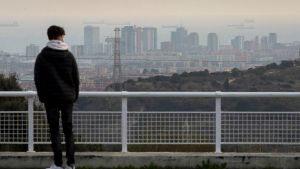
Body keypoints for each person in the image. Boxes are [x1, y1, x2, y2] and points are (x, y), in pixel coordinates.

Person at [34, 25, 79, 169]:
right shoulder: (69, 55)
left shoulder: (42, 56)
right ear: (60, 36)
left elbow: (38, 79)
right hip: (67, 98)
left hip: (50, 98)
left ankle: (58, 164)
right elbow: (76, 78)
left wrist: (42, 96)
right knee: (68, 130)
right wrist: (74, 95)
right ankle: (71, 163)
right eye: (63, 35)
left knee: (54, 130)